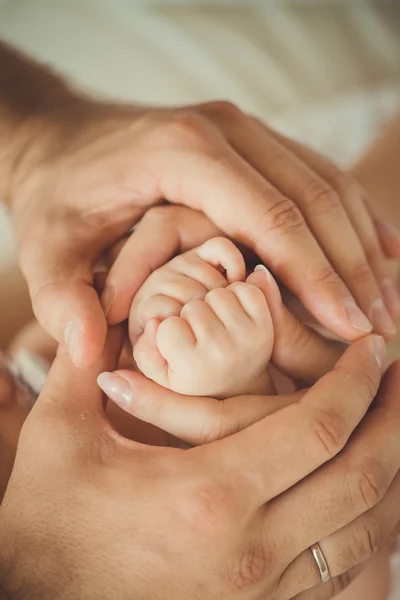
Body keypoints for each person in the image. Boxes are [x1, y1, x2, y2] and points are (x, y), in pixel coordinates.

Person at [1, 39, 400, 600]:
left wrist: (158, 304)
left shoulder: (32, 370)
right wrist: (232, 379)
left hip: (344, 283)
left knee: (345, 245)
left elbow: (102, 300)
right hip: (356, 506)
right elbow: (347, 565)